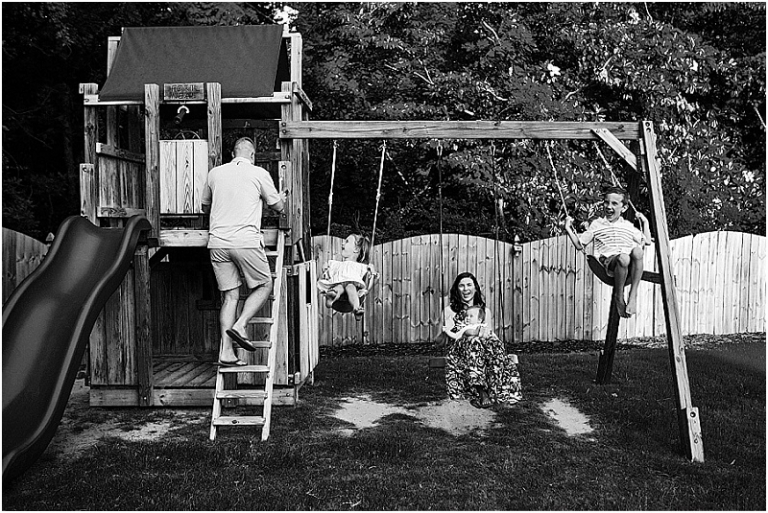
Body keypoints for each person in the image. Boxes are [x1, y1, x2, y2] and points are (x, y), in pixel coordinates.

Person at [201, 137, 287, 366]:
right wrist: (283, 200)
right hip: (245, 241)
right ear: (252, 155)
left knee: (230, 297)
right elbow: (277, 206)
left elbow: (204, 206)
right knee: (264, 284)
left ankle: (226, 353)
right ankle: (241, 325)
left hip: (217, 242)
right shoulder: (258, 173)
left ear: (232, 153)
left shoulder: (215, 173)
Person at [564, 185, 652, 318]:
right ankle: (619, 295)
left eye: (614, 203)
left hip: (627, 263)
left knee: (638, 252)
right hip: (608, 261)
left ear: (624, 208)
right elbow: (579, 245)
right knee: (624, 258)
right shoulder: (597, 225)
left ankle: (633, 295)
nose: (609, 206)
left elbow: (647, 241)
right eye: (606, 202)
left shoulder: (628, 226)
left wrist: (645, 222)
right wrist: (568, 228)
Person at [442, 272, 522, 409]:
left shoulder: (485, 311)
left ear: (475, 288)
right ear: (457, 289)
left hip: (482, 348)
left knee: (493, 348)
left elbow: (487, 332)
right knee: (474, 343)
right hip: (461, 351)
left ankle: (497, 394)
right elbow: (451, 334)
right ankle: (481, 391)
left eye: (469, 285)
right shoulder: (450, 310)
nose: (466, 289)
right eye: (461, 286)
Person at [318, 233, 375, 321]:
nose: (342, 244)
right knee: (339, 287)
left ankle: (357, 309)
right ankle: (331, 298)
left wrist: (372, 273)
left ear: (356, 249)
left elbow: (368, 285)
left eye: (347, 242)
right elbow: (326, 275)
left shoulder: (361, 267)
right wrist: (325, 269)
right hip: (339, 292)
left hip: (351, 295)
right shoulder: (335, 264)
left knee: (350, 286)